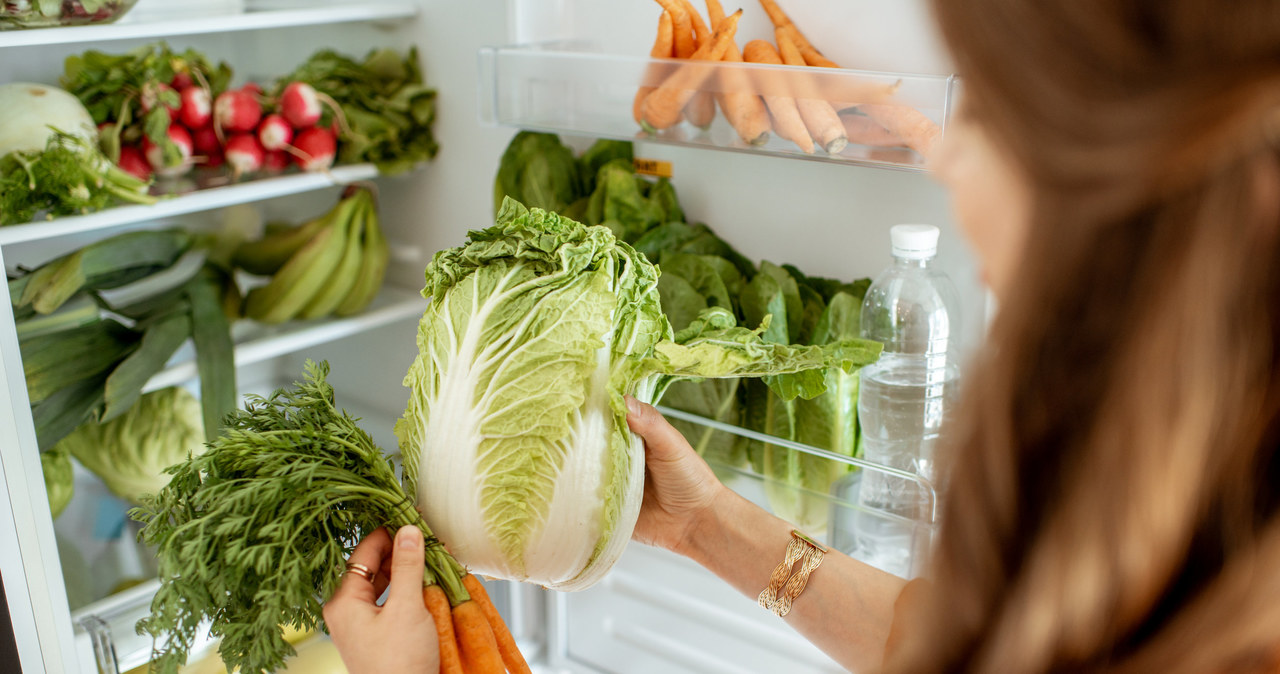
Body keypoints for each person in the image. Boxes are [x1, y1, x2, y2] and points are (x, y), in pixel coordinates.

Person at [324, 0, 1280, 671]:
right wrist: (707, 528)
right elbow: (948, 640)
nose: (946, 159)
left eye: (988, 110)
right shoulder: (1173, 492)